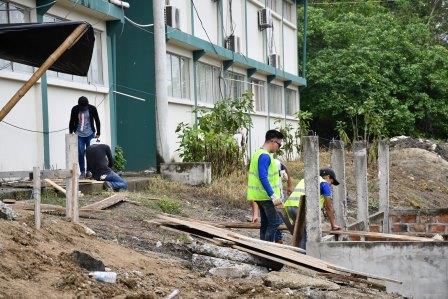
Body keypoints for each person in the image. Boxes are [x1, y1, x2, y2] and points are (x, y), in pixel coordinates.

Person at [283, 168, 341, 249]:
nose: (330, 185)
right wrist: (333, 225)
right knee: (307, 234)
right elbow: (329, 207)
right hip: (301, 209)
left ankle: (298, 253)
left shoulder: (305, 179)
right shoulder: (324, 184)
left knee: (300, 233)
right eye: (331, 182)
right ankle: (304, 257)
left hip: (289, 207)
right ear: (327, 177)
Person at [247, 129, 284, 243]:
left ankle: (263, 245)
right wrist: (273, 195)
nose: (279, 147)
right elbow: (263, 177)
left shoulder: (258, 153)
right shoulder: (264, 156)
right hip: (266, 196)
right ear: (273, 141)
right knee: (275, 222)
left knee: (266, 223)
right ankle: (267, 247)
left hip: (260, 196)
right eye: (279, 144)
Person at [69, 96, 101, 178]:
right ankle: (82, 171)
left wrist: (98, 132)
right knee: (80, 152)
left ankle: (89, 171)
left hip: (90, 133)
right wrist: (71, 131)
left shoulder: (92, 108)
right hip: (79, 134)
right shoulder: (75, 109)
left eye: (85, 107)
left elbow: (97, 120)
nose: (83, 109)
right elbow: (72, 120)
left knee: (90, 153)